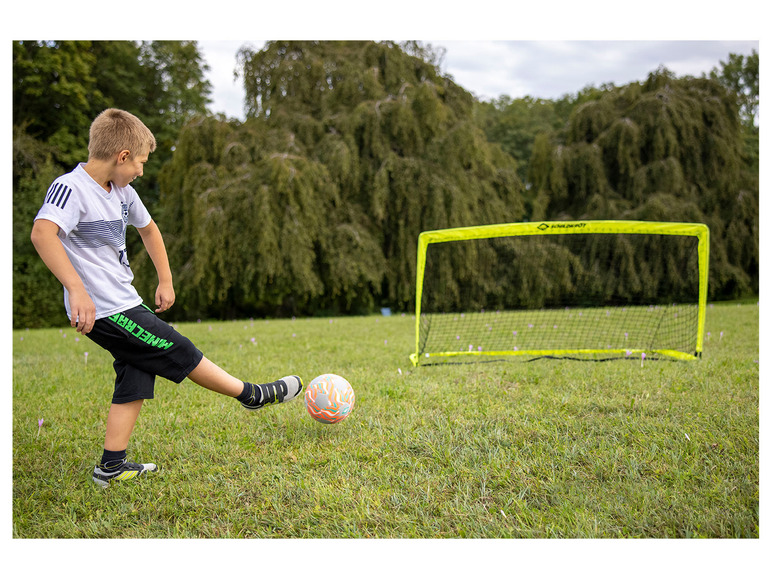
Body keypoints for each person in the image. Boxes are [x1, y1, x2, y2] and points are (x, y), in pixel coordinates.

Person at [30, 108, 303, 488]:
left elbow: (149, 229)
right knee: (177, 348)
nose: (141, 170)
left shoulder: (122, 191)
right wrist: (77, 289)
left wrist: (166, 279)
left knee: (137, 370)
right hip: (106, 310)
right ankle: (251, 394)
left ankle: (112, 465)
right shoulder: (71, 188)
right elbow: (43, 233)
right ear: (122, 156)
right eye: (140, 162)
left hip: (125, 301)